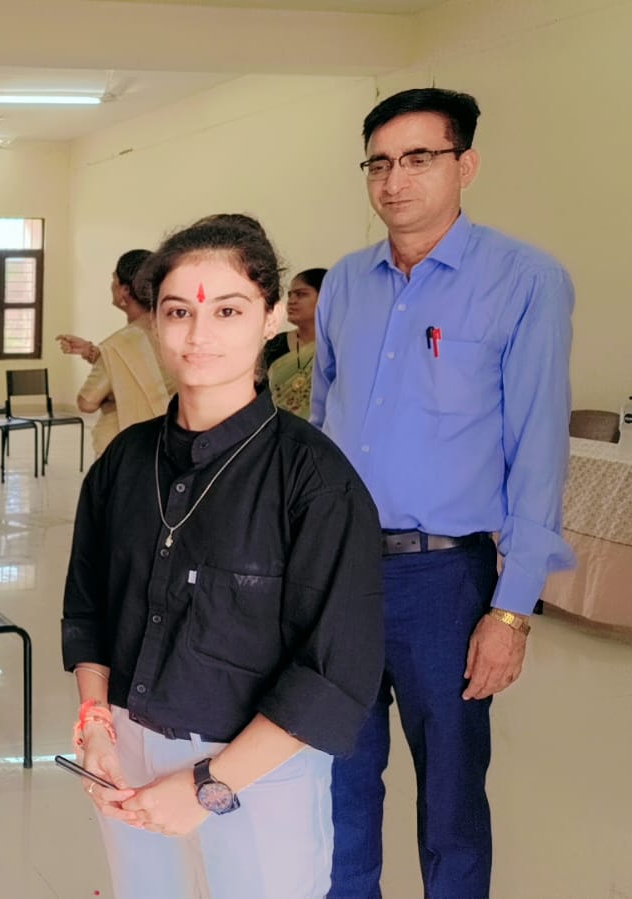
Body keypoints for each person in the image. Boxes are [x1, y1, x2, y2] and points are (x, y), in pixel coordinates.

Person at [62, 217, 384, 898]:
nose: (198, 334)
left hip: (258, 770)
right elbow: (88, 609)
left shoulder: (314, 481)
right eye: (178, 311)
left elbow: (333, 672)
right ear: (154, 323)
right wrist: (94, 723)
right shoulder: (123, 463)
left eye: (227, 311)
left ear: (270, 317)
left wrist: (207, 785)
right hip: (124, 753)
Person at [315, 88, 574, 899]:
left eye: (418, 158)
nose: (394, 181)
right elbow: (320, 426)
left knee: (452, 800)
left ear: (465, 165)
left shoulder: (523, 279)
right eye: (378, 163)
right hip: (337, 576)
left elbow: (537, 449)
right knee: (336, 789)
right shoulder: (344, 283)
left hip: (442, 581)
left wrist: (510, 611)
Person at [56, 249, 173, 458]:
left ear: (125, 291)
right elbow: (148, 371)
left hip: (125, 447)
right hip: (167, 439)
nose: (112, 285)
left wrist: (109, 387)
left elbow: (87, 402)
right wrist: (92, 352)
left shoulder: (118, 345)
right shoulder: (171, 329)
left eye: (114, 280)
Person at [266, 268, 326, 415]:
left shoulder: (338, 346)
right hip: (279, 426)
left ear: (325, 298)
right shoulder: (276, 344)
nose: (291, 301)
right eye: (290, 295)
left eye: (301, 294)